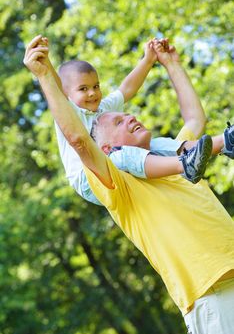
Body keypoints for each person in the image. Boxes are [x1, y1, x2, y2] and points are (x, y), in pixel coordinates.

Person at [24, 37, 234, 334]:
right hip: (213, 293)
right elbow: (80, 140)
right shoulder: (118, 177)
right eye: (120, 121)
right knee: (131, 156)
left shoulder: (168, 157)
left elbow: (194, 120)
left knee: (186, 147)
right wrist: (45, 73)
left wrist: (169, 63)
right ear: (105, 146)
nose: (130, 116)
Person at [32, 35, 215, 206]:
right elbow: (56, 89)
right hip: (89, 180)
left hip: (112, 165)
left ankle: (224, 143)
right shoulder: (70, 111)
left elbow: (127, 88)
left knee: (156, 144)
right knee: (122, 155)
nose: (92, 93)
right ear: (68, 93)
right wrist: (45, 63)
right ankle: (184, 164)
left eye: (96, 86)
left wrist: (148, 60)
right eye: (83, 89)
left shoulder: (104, 108)